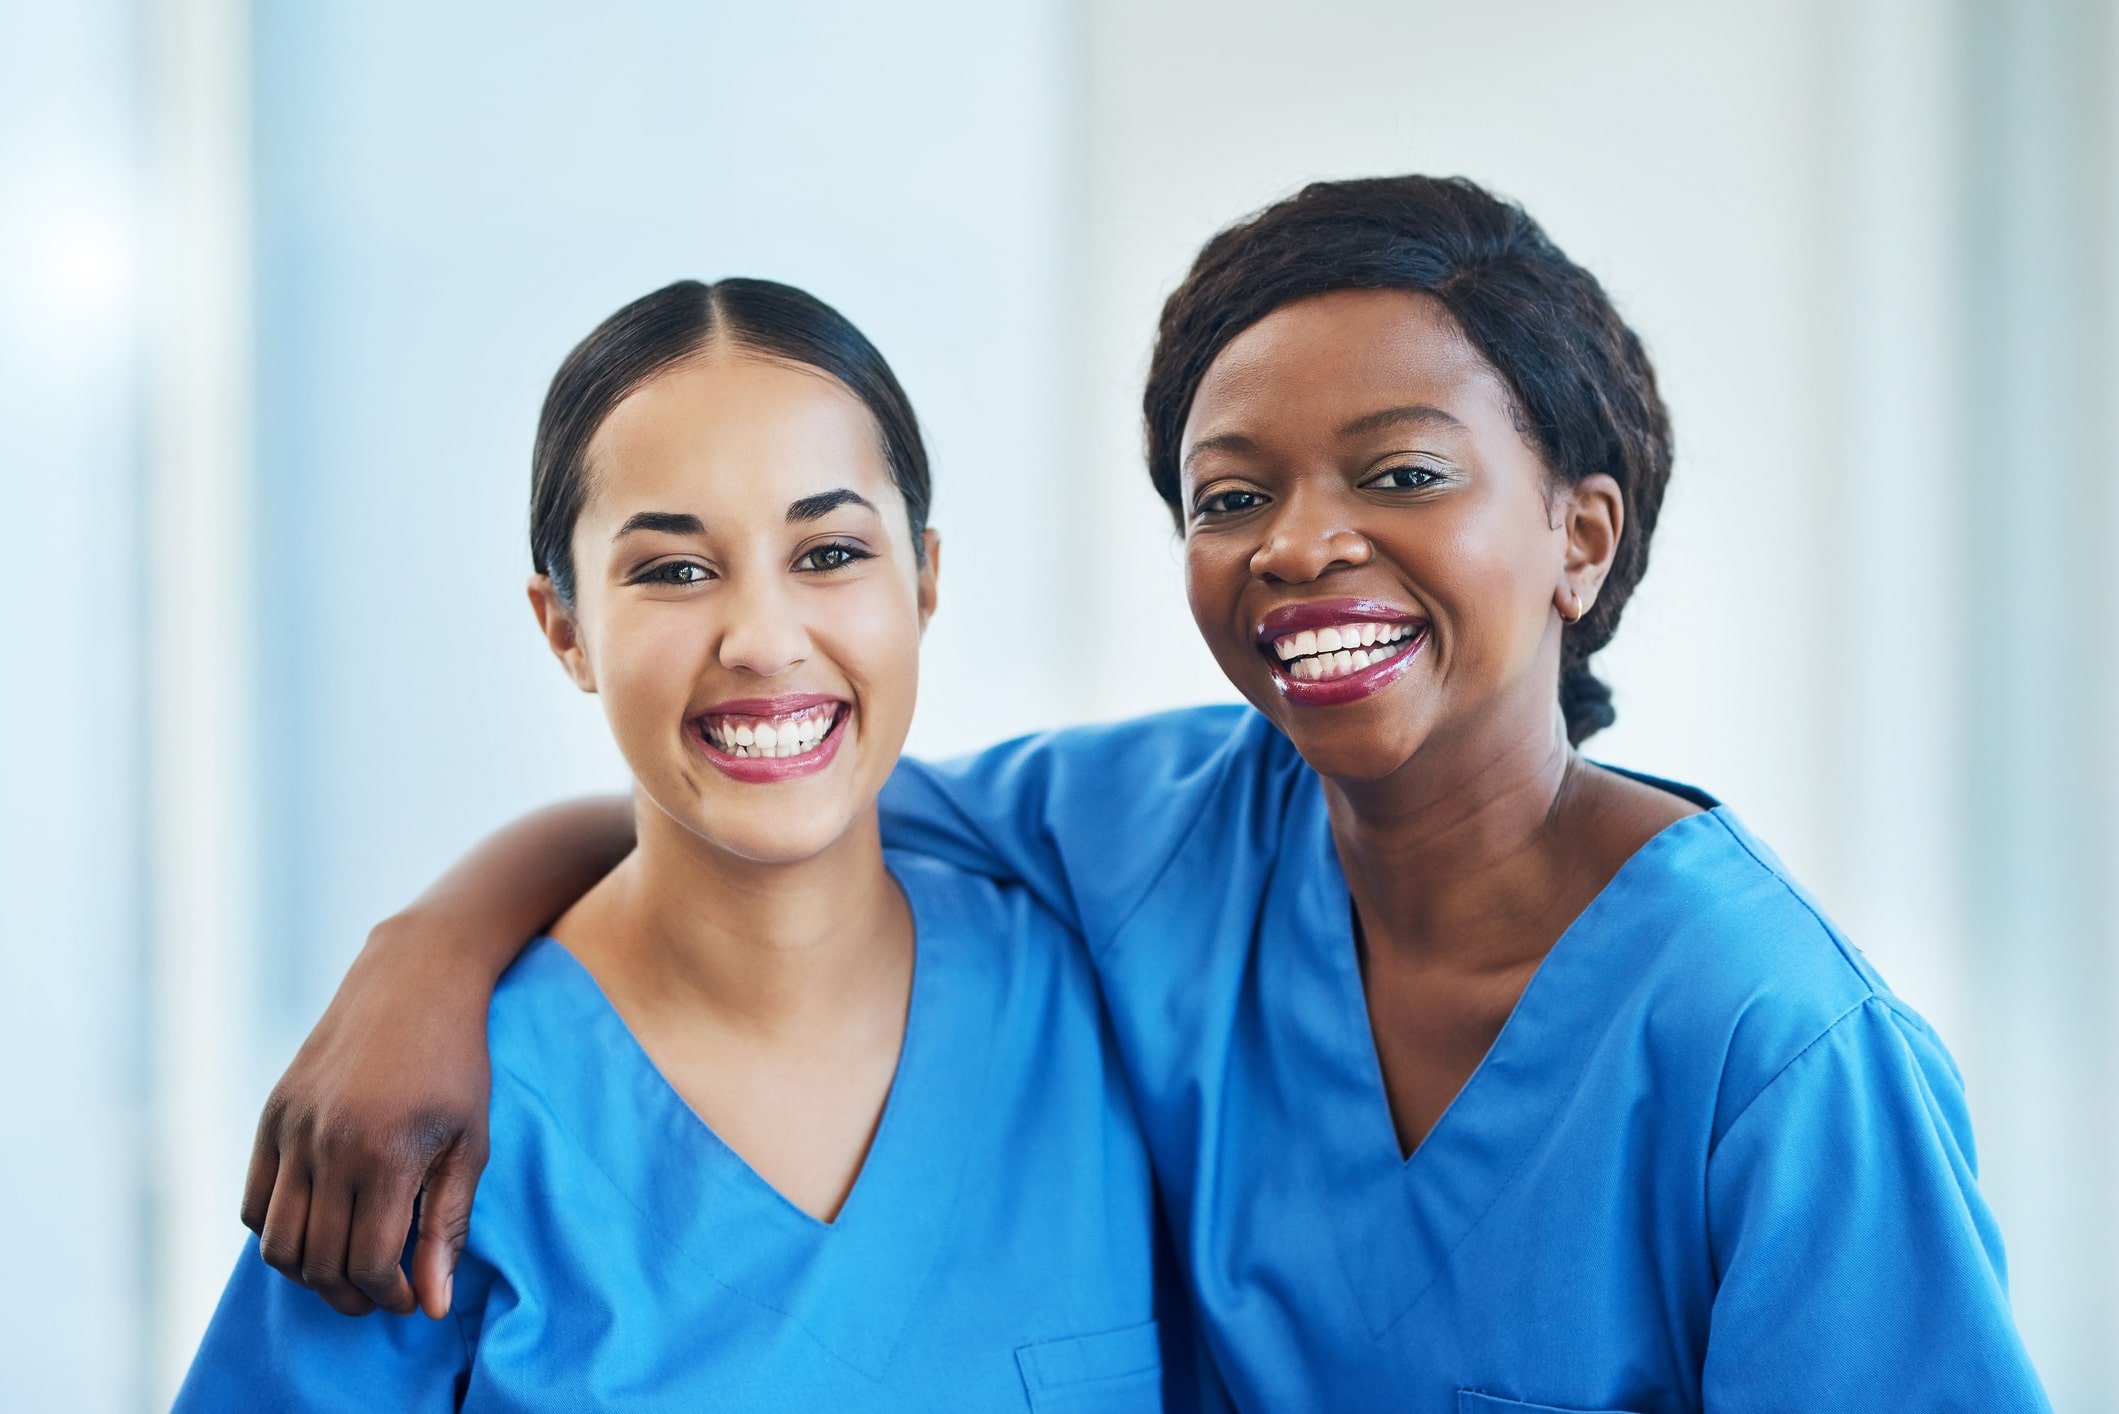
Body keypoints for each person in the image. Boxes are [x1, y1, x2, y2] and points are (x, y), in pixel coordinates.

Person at [242, 180, 2051, 1410]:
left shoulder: (1771, 1048)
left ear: (1579, 531)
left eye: (1402, 469)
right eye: (1228, 492)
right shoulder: (1147, 842)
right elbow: (779, 788)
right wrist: (426, 953)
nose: (1303, 545)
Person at [180, 278, 1213, 1411]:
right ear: (564, 627)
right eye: (674, 569)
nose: (764, 641)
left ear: (923, 580)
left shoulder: (1102, 1004)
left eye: (827, 553)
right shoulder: (448, 1121)